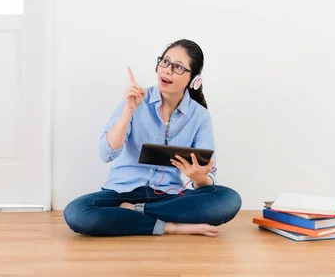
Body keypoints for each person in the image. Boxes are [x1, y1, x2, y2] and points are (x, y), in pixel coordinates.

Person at [63, 39, 241, 237]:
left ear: (194, 79)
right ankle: (170, 227)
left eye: (178, 67)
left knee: (229, 199)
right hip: (121, 193)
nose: (167, 70)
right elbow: (106, 154)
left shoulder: (199, 116)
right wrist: (129, 110)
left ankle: (137, 213)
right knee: (77, 213)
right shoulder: (136, 100)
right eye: (165, 62)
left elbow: (208, 181)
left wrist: (198, 177)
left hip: (169, 198)